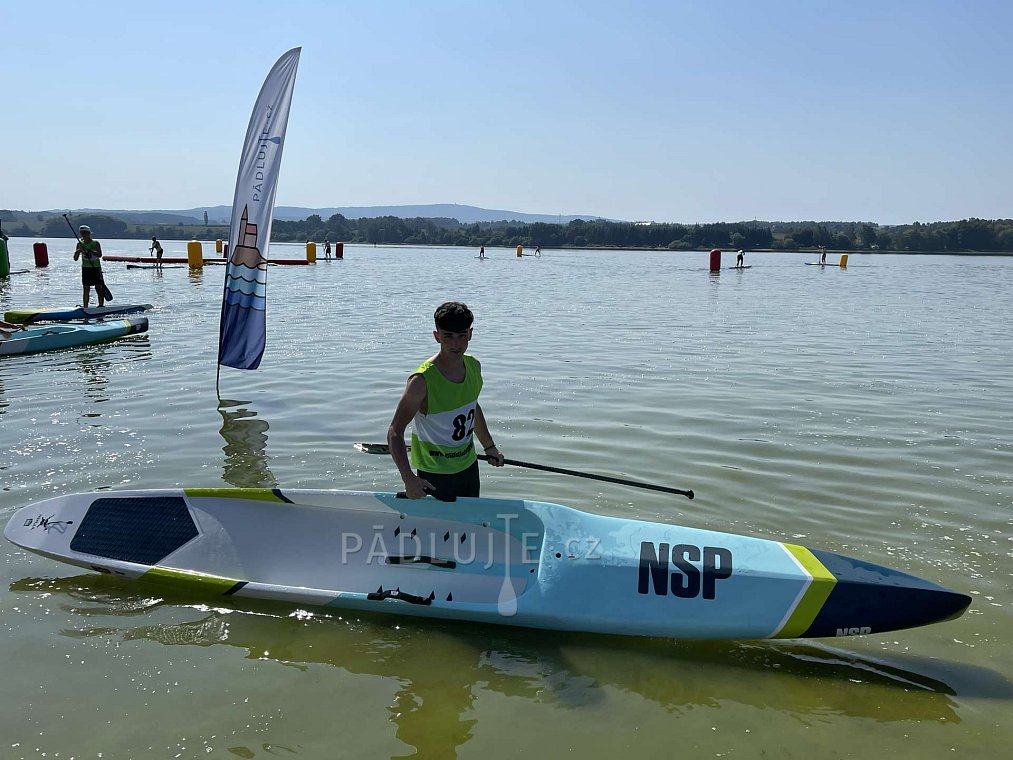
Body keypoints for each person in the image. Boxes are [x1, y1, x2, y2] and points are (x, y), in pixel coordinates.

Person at [387, 301, 504, 500]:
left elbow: (472, 408)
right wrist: (408, 479)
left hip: (468, 467)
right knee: (439, 530)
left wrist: (489, 447)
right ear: (437, 336)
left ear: (470, 334)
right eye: (448, 336)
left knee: (468, 526)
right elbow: (395, 431)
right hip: (434, 474)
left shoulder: (474, 366)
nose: (456, 344)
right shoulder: (421, 381)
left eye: (462, 336)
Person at [73, 225, 105, 307]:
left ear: (89, 233)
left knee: (98, 287)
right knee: (86, 288)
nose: (83, 235)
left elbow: (99, 255)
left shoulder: (95, 243)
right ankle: (85, 307)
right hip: (85, 268)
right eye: (81, 233)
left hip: (95, 267)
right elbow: (75, 259)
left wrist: (88, 249)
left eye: (85, 233)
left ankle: (101, 305)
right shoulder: (79, 244)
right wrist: (77, 252)